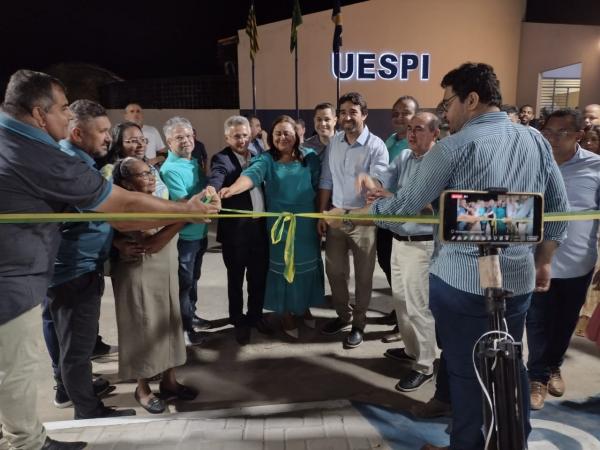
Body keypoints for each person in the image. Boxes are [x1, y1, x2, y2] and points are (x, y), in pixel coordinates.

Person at [329, 63, 568, 450]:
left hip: (461, 282)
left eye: (447, 104)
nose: (445, 114)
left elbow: (405, 207)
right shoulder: (535, 141)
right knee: (512, 366)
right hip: (519, 279)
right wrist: (544, 261)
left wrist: (353, 215)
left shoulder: (453, 148)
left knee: (466, 373)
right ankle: (513, 442)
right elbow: (557, 209)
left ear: (471, 100)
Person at [0, 69, 219, 450]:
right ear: (38, 113)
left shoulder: (11, 139)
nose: (68, 118)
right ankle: (28, 444)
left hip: (30, 275)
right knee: (20, 370)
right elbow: (121, 208)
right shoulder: (37, 153)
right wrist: (185, 209)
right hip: (14, 284)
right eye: (64, 108)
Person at [45, 99, 135, 421]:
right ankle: (88, 411)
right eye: (102, 132)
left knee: (69, 343)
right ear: (78, 132)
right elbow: (118, 211)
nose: (108, 137)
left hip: (68, 269)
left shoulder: (73, 160)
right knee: (77, 349)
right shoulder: (74, 167)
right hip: (75, 271)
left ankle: (74, 390)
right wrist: (183, 213)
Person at [220, 115, 324, 339]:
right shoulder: (266, 159)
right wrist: (231, 189)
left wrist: (321, 217)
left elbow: (320, 187)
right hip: (279, 225)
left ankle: (302, 306)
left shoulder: (311, 157)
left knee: (305, 267)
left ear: (296, 135)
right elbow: (250, 176)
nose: (282, 137)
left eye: (287, 132)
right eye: (277, 133)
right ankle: (285, 313)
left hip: (306, 224)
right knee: (284, 267)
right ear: (271, 137)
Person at [357, 112, 440, 392]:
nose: (412, 134)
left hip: (422, 243)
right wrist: (373, 186)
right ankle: (411, 350)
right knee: (402, 303)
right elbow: (385, 177)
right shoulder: (404, 156)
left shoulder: (439, 163)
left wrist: (389, 197)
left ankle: (426, 364)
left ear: (435, 133)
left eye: (418, 128)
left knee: (419, 307)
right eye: (409, 128)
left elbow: (428, 205)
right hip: (398, 239)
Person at [526, 108, 600, 410]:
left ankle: (553, 364)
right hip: (535, 260)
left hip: (578, 262)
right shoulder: (532, 164)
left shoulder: (596, 167)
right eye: (548, 132)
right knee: (537, 320)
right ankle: (537, 376)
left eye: (562, 133)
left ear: (578, 135)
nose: (553, 139)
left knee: (565, 321)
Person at [111, 157, 195, 414]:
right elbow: (151, 243)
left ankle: (169, 382)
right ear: (126, 182)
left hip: (165, 269)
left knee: (169, 322)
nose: (150, 177)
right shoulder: (124, 206)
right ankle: (143, 388)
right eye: (142, 174)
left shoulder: (157, 200)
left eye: (151, 172)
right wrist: (186, 216)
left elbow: (176, 212)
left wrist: (185, 211)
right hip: (138, 272)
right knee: (142, 327)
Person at [318, 92, 389, 348]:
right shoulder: (335, 143)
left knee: (363, 276)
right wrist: (321, 213)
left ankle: (359, 324)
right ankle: (343, 315)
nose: (347, 117)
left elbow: (380, 183)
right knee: (335, 271)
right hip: (336, 216)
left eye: (353, 112)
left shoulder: (376, 146)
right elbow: (326, 179)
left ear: (364, 115)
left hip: (364, 221)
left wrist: (370, 182)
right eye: (343, 112)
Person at [208, 116, 273, 345]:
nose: (242, 140)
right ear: (227, 137)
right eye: (237, 136)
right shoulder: (222, 159)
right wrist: (213, 190)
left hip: (259, 231)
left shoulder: (258, 158)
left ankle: (255, 316)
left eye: (245, 135)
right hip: (236, 234)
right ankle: (238, 320)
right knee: (235, 279)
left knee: (258, 277)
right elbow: (216, 176)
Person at [160, 116, 211, 345]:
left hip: (199, 234)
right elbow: (185, 204)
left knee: (193, 279)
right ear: (168, 141)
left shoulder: (193, 162)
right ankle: (185, 329)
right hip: (184, 237)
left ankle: (191, 314)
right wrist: (211, 196)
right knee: (184, 284)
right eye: (179, 137)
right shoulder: (170, 169)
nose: (186, 141)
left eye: (189, 136)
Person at [100, 121, 169, 198]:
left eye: (142, 139)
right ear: (118, 145)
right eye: (134, 141)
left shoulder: (151, 168)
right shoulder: (109, 171)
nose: (141, 145)